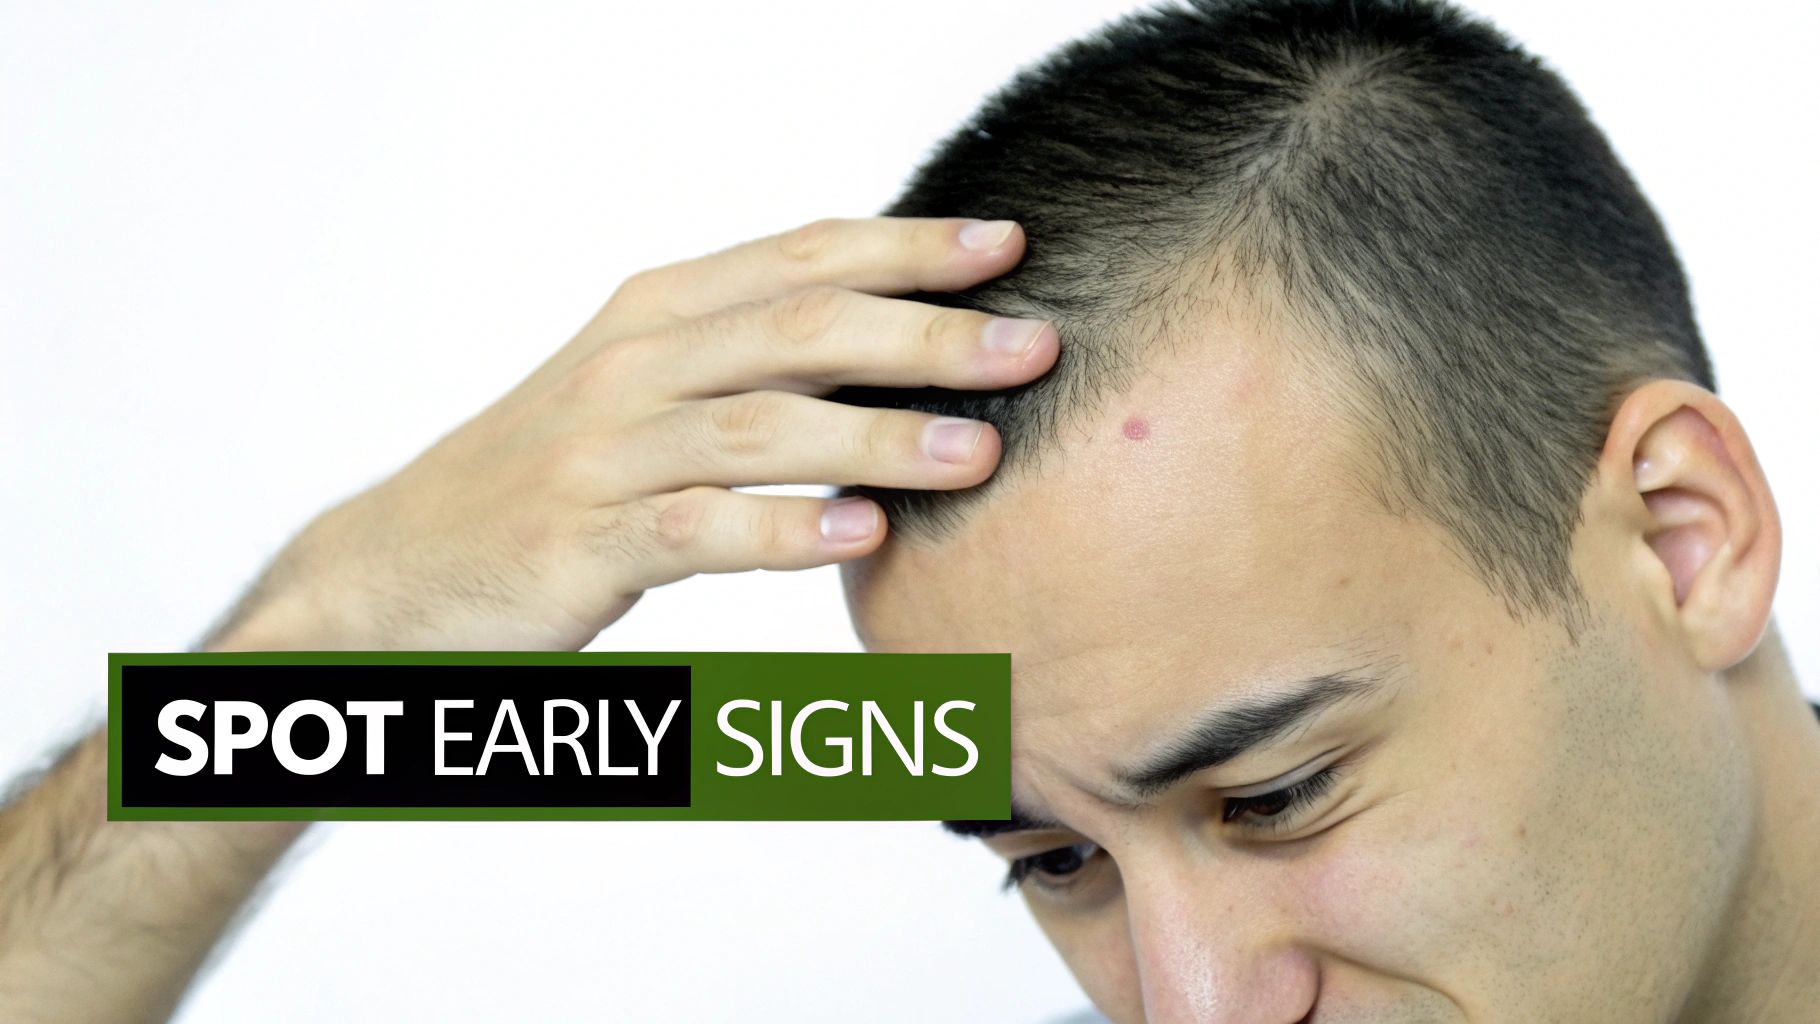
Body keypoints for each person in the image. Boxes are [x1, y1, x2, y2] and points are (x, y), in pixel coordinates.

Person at [1, 0, 1814, 1020]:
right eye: (1053, 866)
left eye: (1275, 796)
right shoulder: (949, 737)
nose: (1190, 1005)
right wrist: (323, 652)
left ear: (1682, 539)